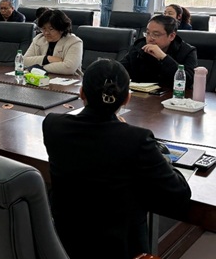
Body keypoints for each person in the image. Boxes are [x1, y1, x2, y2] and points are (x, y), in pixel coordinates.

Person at [43, 59, 191, 259]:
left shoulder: (52, 125)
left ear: (81, 93)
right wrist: (157, 152)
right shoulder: (136, 140)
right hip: (121, 250)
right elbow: (179, 193)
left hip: (65, 244)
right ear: (127, 98)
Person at [120, 14, 197, 89]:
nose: (150, 38)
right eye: (148, 33)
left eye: (156, 34)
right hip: (140, 95)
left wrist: (164, 57)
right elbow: (119, 70)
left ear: (171, 36)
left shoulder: (187, 51)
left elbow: (189, 81)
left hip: (171, 96)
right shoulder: (139, 47)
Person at [23, 9, 82, 75]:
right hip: (42, 78)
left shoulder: (74, 42)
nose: (46, 33)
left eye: (51, 29)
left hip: (68, 79)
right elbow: (24, 61)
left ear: (61, 29)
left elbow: (69, 68)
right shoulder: (39, 39)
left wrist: (39, 68)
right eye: (44, 28)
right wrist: (47, 59)